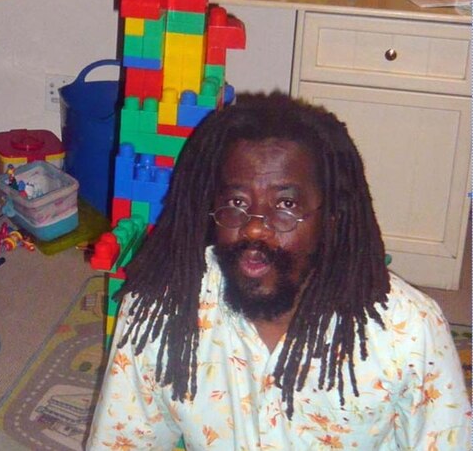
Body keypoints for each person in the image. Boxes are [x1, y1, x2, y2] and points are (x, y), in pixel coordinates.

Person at [87, 92, 471, 450]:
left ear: (332, 216)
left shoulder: (409, 333)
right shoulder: (159, 311)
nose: (254, 227)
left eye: (286, 204)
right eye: (237, 201)